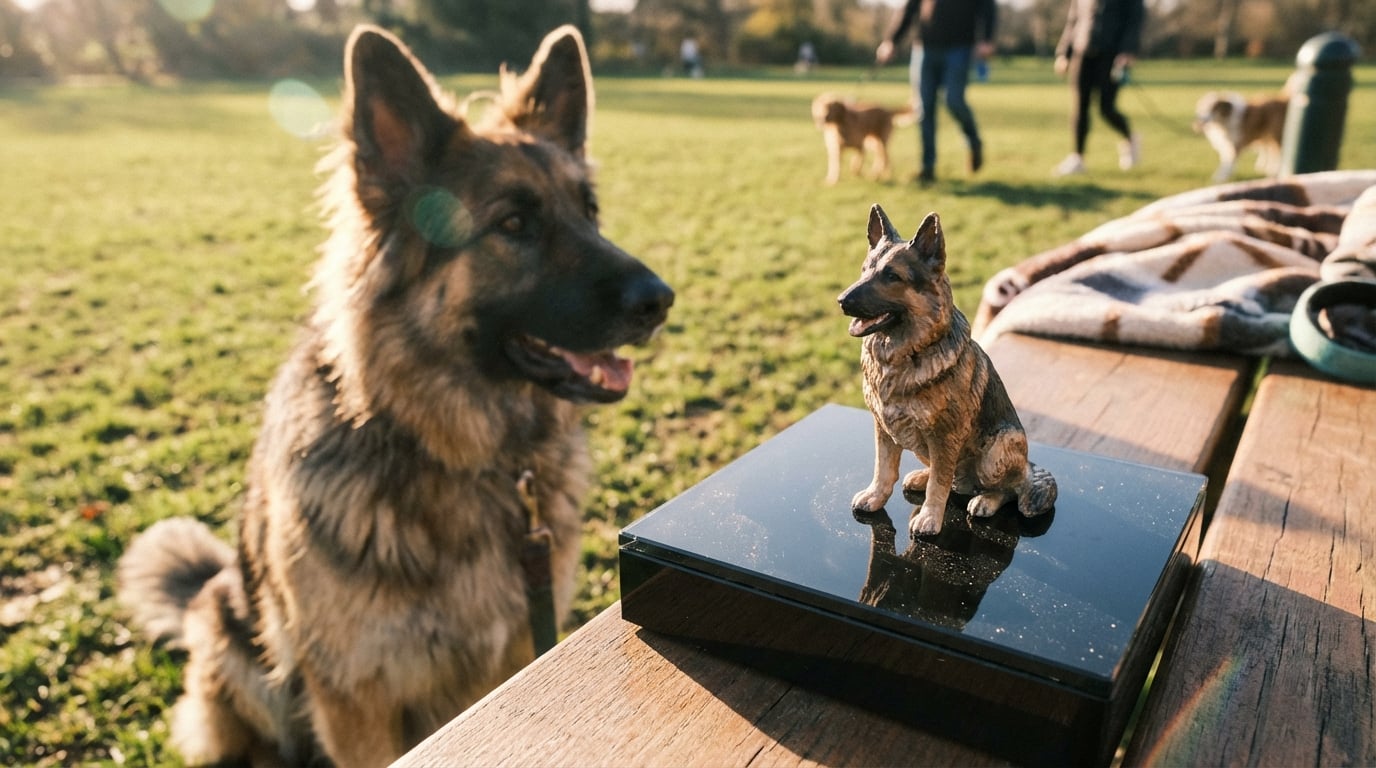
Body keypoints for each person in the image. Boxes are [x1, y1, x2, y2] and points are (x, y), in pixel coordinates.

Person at [876, 0, 996, 185]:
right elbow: (909, 8)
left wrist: (987, 39)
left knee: (954, 100)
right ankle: (927, 167)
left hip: (959, 47)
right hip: (925, 47)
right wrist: (891, 40)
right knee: (924, 108)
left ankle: (973, 141)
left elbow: (987, 6)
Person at [1052, 0, 1145, 176]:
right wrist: (1064, 53)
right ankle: (1077, 157)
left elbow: (1134, 20)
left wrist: (1127, 50)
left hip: (1111, 55)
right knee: (1080, 106)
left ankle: (1130, 139)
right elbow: (1073, 20)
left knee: (1106, 108)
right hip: (1083, 52)